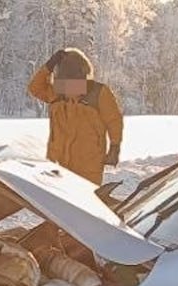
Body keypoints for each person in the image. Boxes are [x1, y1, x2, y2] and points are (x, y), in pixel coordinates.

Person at [27, 48, 124, 184]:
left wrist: (115, 147)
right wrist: (48, 66)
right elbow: (34, 87)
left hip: (88, 164)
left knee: (84, 196)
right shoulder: (56, 92)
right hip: (58, 163)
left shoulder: (99, 93)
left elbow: (114, 121)